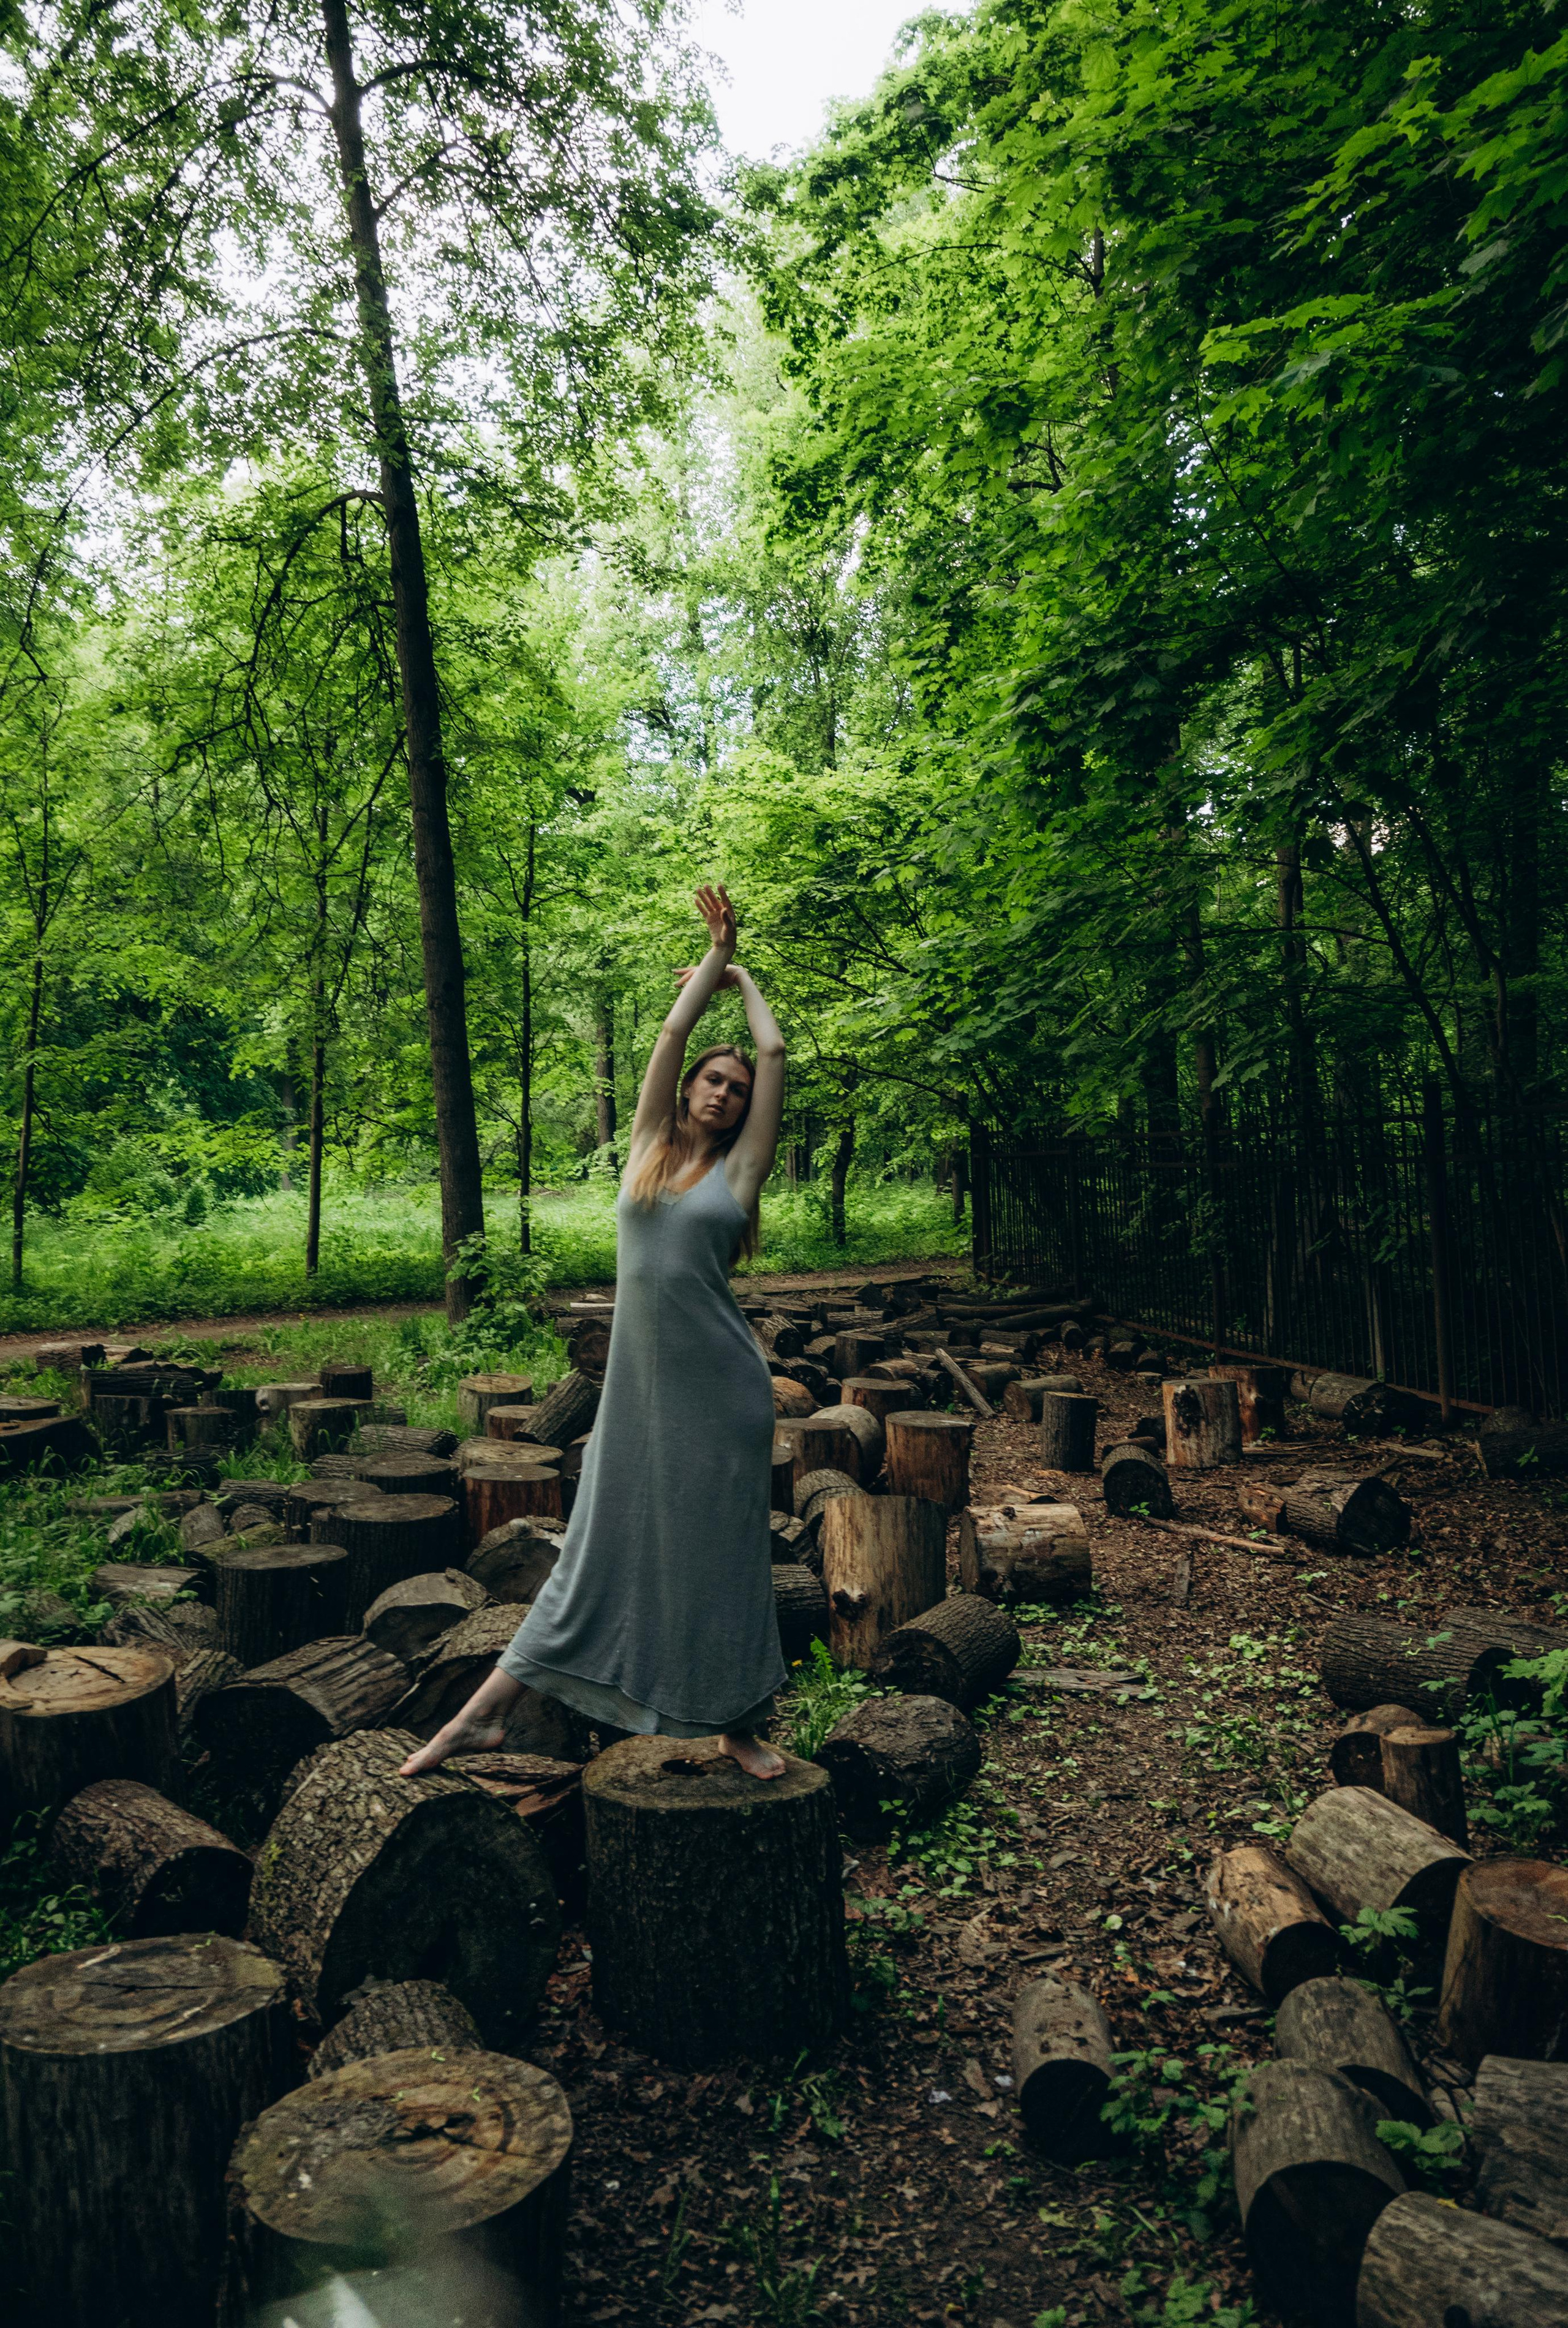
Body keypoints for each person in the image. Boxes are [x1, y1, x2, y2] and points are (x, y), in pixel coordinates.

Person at [400, 882, 791, 1781]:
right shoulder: (648, 1146)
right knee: (593, 1557)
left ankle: (739, 1722)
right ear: (690, 1088)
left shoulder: (739, 1180)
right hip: (639, 1400)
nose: (726, 1093)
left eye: (736, 1090)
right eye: (714, 1080)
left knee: (727, 1558)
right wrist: (708, 965)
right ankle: (482, 1717)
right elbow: (666, 1038)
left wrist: (742, 978)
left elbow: (772, 1047)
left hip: (722, 1397)